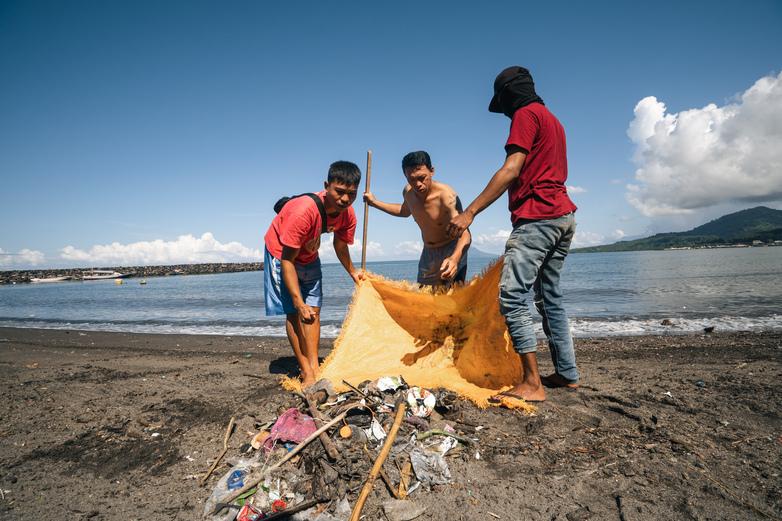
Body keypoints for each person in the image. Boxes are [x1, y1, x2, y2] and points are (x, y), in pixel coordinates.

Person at [447, 66, 579, 402]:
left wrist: (470, 212)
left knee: (512, 296)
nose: (504, 111)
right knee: (550, 297)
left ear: (511, 94)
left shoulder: (525, 114)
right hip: (563, 216)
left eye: (503, 103)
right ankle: (567, 373)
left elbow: (511, 169)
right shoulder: (554, 120)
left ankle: (532, 384)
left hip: (538, 218)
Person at [264, 161, 364, 387]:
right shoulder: (304, 211)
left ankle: (315, 365)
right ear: (326, 186)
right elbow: (287, 260)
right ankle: (306, 370)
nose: (345, 199)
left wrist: (353, 272)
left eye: (351, 194)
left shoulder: (348, 215)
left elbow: (340, 245)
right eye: (339, 192)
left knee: (313, 313)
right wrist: (299, 303)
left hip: (308, 253)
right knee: (294, 312)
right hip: (281, 253)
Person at [364, 150, 471, 287]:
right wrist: (374, 202)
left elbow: (465, 233)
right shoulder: (408, 192)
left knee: (453, 298)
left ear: (431, 171)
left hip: (452, 249)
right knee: (424, 299)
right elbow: (404, 211)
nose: (418, 184)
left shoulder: (446, 195)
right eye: (411, 179)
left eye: (422, 178)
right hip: (428, 253)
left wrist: (455, 259)